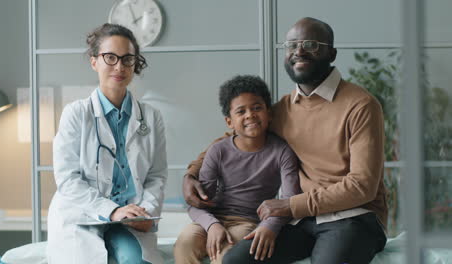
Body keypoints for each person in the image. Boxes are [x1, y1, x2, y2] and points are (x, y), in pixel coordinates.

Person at [183, 17, 387, 264]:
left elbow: (362, 186)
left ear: (331, 54)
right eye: (291, 45)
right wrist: (191, 175)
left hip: (354, 218)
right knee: (237, 260)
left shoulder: (361, 105)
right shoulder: (283, 109)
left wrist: (290, 206)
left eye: (310, 44)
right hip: (303, 221)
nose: (298, 51)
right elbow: (235, 135)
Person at [47, 23, 167, 264]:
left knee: (135, 261)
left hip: (130, 219)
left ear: (135, 63)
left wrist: (146, 211)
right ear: (94, 61)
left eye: (127, 59)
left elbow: (156, 175)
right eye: (110, 57)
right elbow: (68, 179)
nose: (119, 66)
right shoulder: (76, 114)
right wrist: (112, 210)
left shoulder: (151, 117)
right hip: (83, 216)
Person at [174, 75, 301, 264]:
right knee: (185, 242)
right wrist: (213, 225)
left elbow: (288, 201)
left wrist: (270, 226)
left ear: (269, 114)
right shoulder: (218, 150)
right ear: (229, 122)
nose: (250, 115)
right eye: (241, 111)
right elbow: (196, 203)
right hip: (211, 218)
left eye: (257, 108)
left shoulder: (282, 152)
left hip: (247, 222)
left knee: (226, 254)